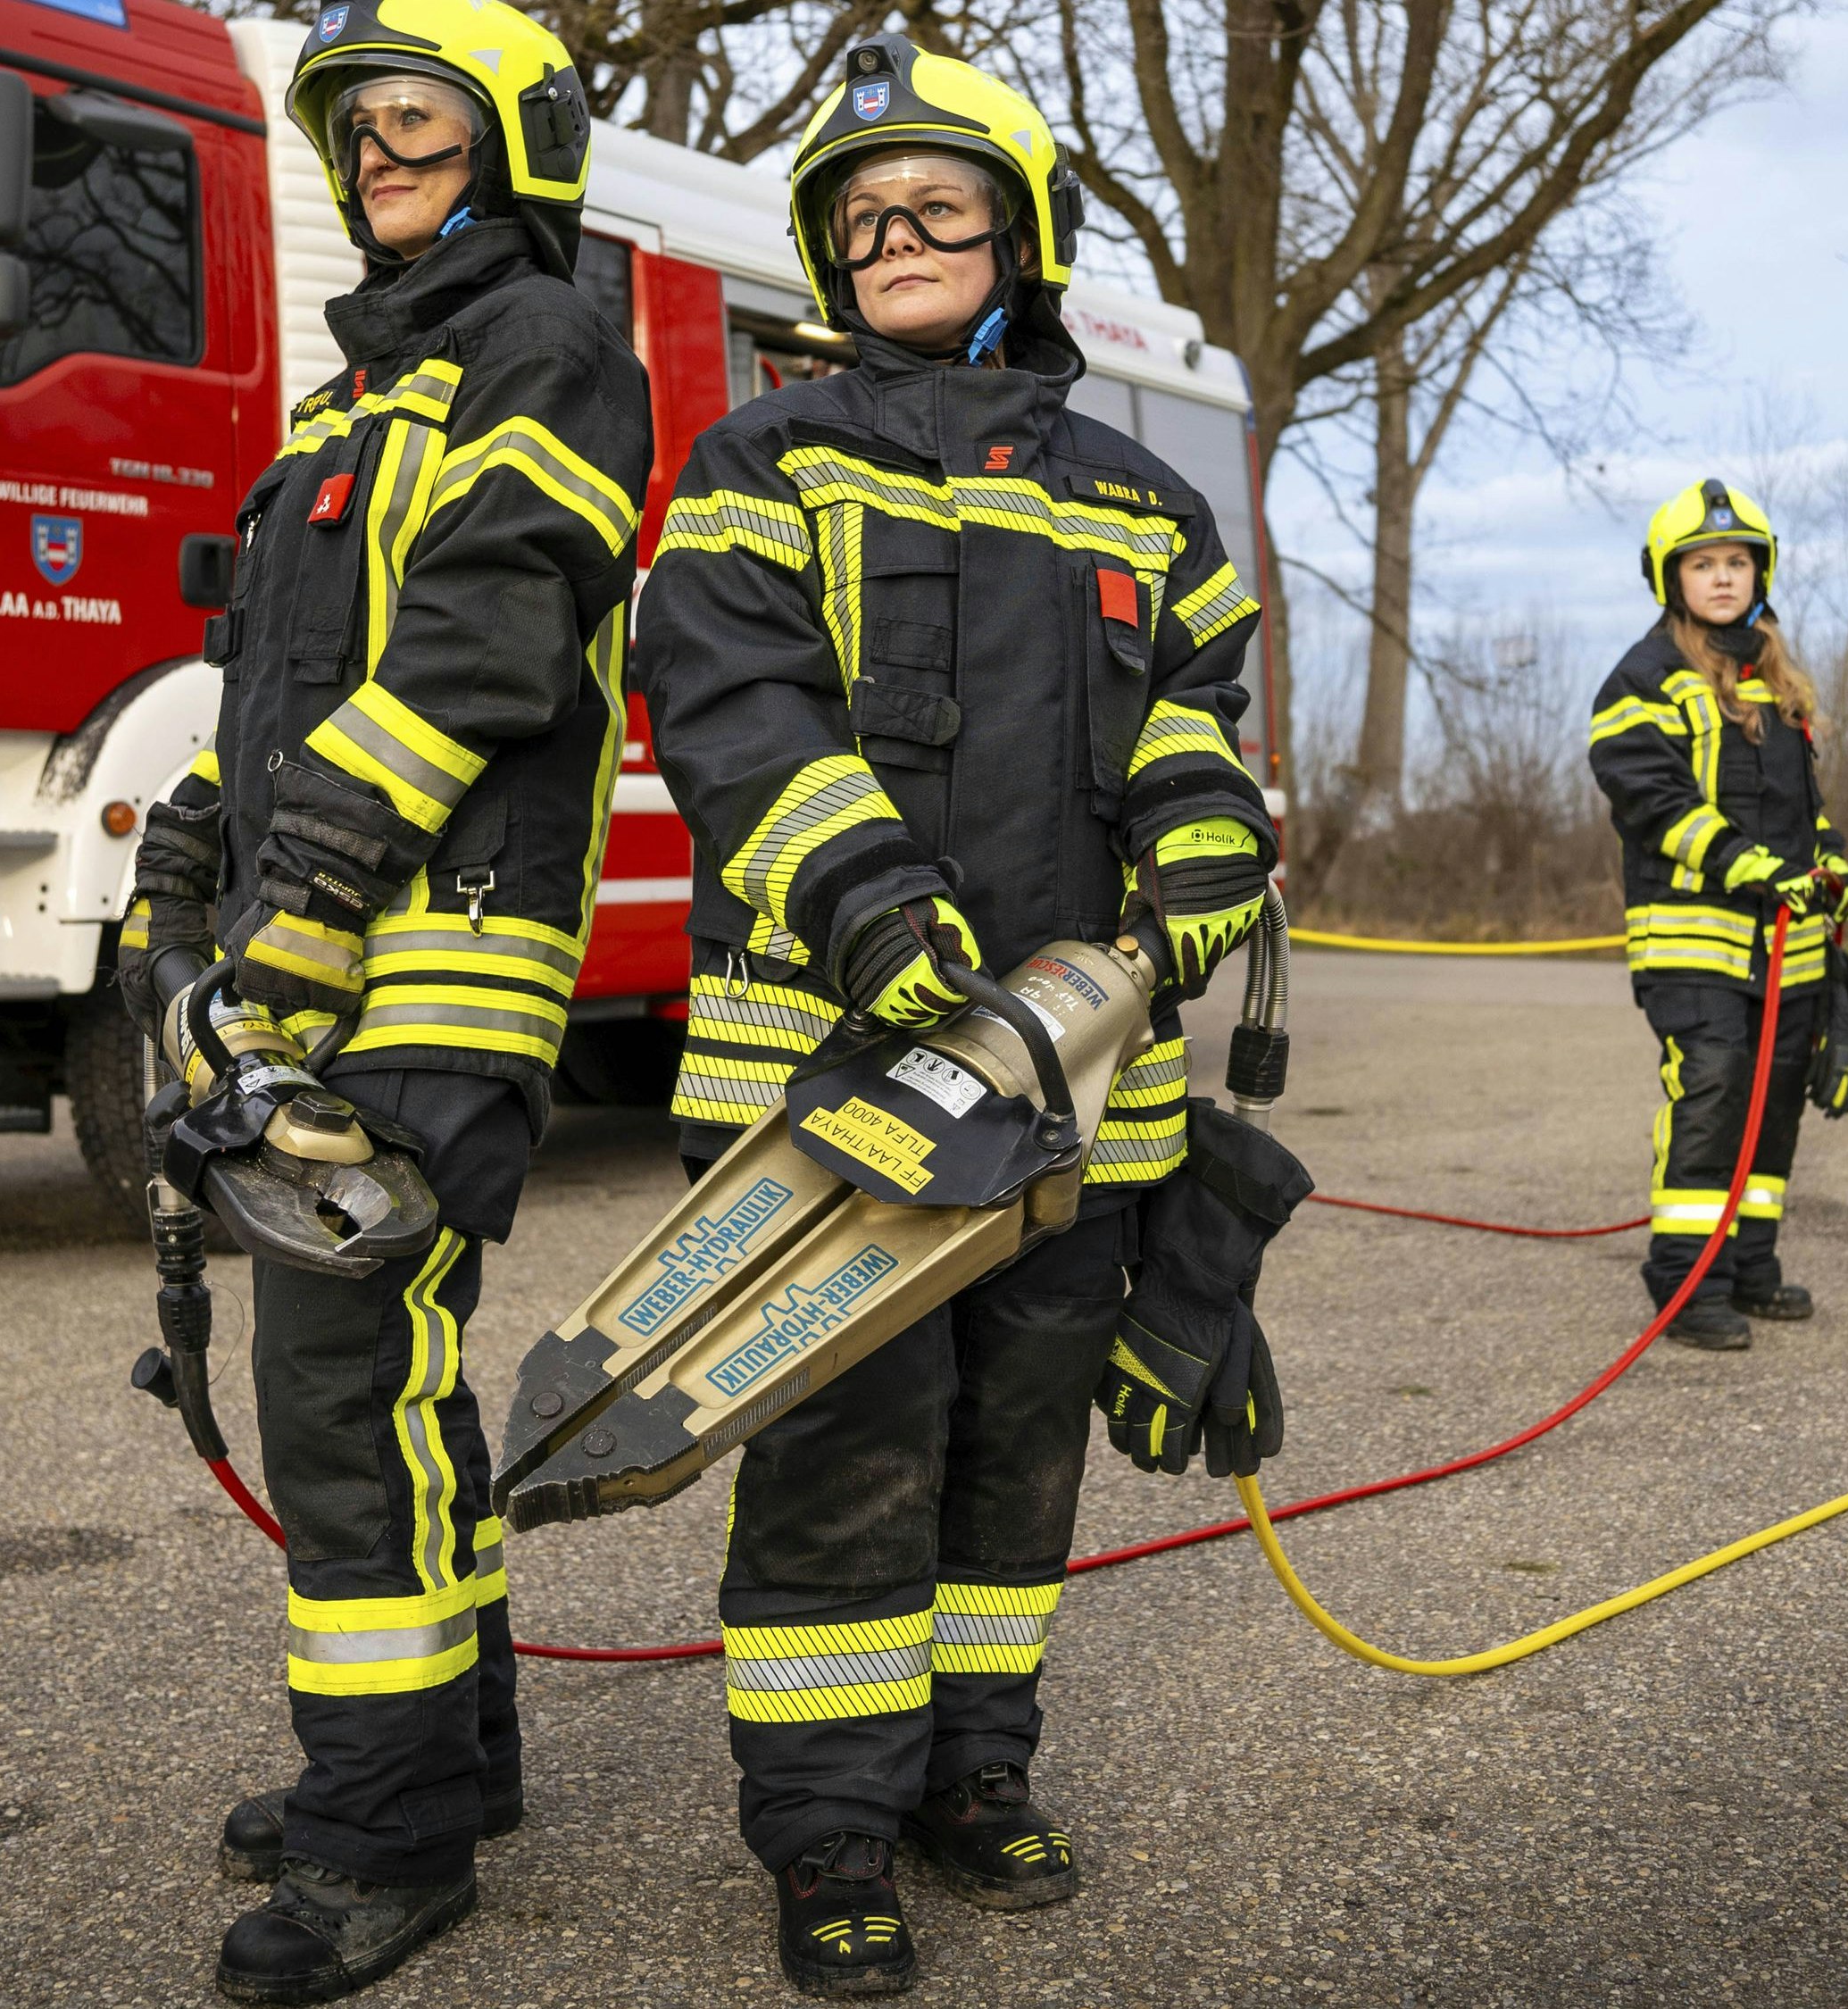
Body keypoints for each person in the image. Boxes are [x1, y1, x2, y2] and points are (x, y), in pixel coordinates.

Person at [631, 36, 1272, 1996]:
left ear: (1020, 237)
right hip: (842, 1074)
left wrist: (1201, 843)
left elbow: (1189, 726)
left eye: (936, 204)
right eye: (862, 212)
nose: (892, 232)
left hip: (1083, 1085)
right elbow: (731, 712)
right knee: (843, 1448)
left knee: (1016, 1451)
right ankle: (824, 1832)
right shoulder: (761, 463)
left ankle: (971, 1772)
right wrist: (869, 905)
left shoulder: (1146, 508)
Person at [114, 2, 650, 1997]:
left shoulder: (544, 351)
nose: (381, 153)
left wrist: (315, 891)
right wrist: (193, 841)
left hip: (440, 966)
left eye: (420, 122)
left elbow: (487, 652)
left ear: (514, 141)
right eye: (358, 130)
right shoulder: (349, 406)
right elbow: (284, 693)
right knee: (389, 1391)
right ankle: (447, 1756)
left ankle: (386, 1839)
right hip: (319, 952)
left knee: (339, 1397)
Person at [1586, 479, 1848, 1352]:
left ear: (1759, 573)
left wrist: (1831, 865)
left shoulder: (1776, 683)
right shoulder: (1643, 680)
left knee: (1773, 1105)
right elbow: (1649, 797)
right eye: (1702, 563)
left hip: (1787, 948)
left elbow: (1801, 810)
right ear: (1670, 578)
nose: (1721, 577)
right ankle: (1684, 1281)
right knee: (1711, 1097)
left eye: (1735, 562)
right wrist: (1746, 866)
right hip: (1694, 943)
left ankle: (1749, 1265)